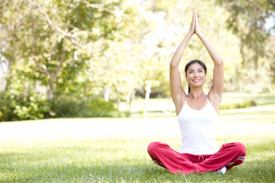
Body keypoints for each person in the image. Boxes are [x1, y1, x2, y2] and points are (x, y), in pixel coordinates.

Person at [147, 11, 246, 175]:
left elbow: (219, 63)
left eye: (200, 71)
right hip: (185, 157)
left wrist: (199, 34)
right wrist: (188, 34)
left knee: (239, 148)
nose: (196, 75)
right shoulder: (180, 99)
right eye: (191, 72)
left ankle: (194, 170)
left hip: (213, 155)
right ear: (186, 77)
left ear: (205, 76)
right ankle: (208, 169)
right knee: (154, 147)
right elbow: (173, 65)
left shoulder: (214, 98)